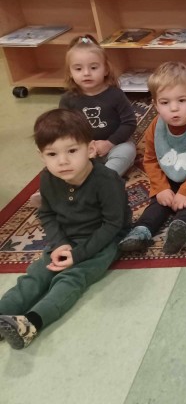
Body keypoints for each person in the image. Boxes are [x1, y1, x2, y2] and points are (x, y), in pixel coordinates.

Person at [0, 109, 130, 349]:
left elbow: (113, 224)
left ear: (90, 149)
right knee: (36, 275)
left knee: (70, 279)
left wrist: (78, 255)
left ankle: (31, 324)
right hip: (66, 238)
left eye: (72, 151)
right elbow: (47, 213)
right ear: (42, 156)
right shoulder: (47, 178)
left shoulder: (107, 180)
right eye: (52, 154)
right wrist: (60, 244)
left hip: (103, 240)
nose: (62, 161)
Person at [118, 62, 186, 255]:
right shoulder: (155, 127)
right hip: (171, 172)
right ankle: (141, 231)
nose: (174, 108)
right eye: (165, 103)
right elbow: (151, 160)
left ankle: (180, 228)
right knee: (159, 203)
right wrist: (161, 187)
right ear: (155, 105)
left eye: (181, 100)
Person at [59, 34, 136, 177]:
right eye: (78, 69)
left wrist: (109, 143)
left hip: (115, 145)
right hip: (83, 149)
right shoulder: (68, 99)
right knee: (60, 157)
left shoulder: (116, 95)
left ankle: (103, 179)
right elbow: (65, 130)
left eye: (93, 67)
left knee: (128, 151)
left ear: (106, 69)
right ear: (70, 73)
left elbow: (129, 123)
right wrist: (84, 147)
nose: (86, 73)